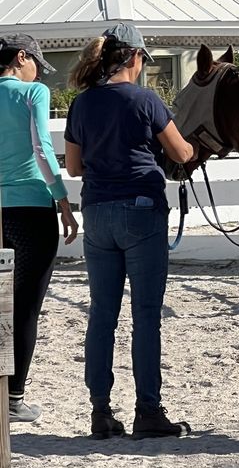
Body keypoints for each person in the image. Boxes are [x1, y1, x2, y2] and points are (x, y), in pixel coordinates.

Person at [64, 23, 196, 440]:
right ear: (135, 58)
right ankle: (148, 410)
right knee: (145, 316)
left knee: (102, 314)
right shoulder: (145, 99)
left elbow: (74, 167)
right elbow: (181, 151)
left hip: (97, 212)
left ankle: (100, 411)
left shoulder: (82, 104)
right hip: (140, 208)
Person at [0, 34, 78, 423]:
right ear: (21, 58)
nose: (38, 72)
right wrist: (62, 200)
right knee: (25, 304)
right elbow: (42, 149)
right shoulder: (32, 93)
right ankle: (13, 398)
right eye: (36, 64)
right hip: (30, 209)